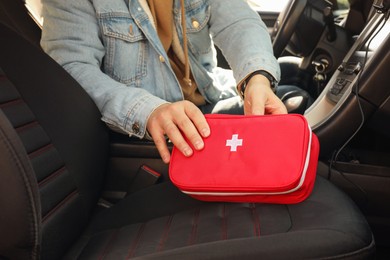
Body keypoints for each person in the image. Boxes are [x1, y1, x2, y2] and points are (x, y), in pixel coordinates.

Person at [40, 0, 287, 164]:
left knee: (290, 92)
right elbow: (71, 70)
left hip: (208, 96)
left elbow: (238, 21)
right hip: (147, 132)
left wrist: (256, 78)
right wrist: (149, 110)